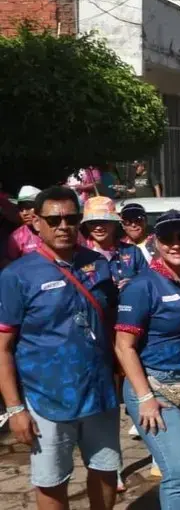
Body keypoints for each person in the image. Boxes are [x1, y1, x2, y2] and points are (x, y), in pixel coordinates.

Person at [0, 186, 122, 510]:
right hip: (47, 398)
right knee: (52, 481)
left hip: (100, 394)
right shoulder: (17, 276)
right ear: (36, 223)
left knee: (106, 470)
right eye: (54, 220)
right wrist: (15, 410)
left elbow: (113, 324)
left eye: (71, 218)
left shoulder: (98, 264)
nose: (63, 226)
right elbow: (2, 348)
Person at [113, 211, 180, 510]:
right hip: (155, 387)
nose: (176, 244)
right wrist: (145, 398)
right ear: (155, 241)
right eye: (167, 238)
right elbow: (123, 346)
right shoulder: (142, 286)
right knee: (178, 472)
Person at [81, 197, 147, 288]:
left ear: (114, 223)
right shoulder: (78, 255)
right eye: (92, 222)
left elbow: (149, 281)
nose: (98, 227)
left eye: (104, 222)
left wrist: (133, 284)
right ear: (86, 225)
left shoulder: (133, 252)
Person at [6, 186, 42, 261]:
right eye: (21, 209)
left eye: (28, 207)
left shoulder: (55, 229)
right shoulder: (16, 237)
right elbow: (12, 264)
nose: (24, 213)